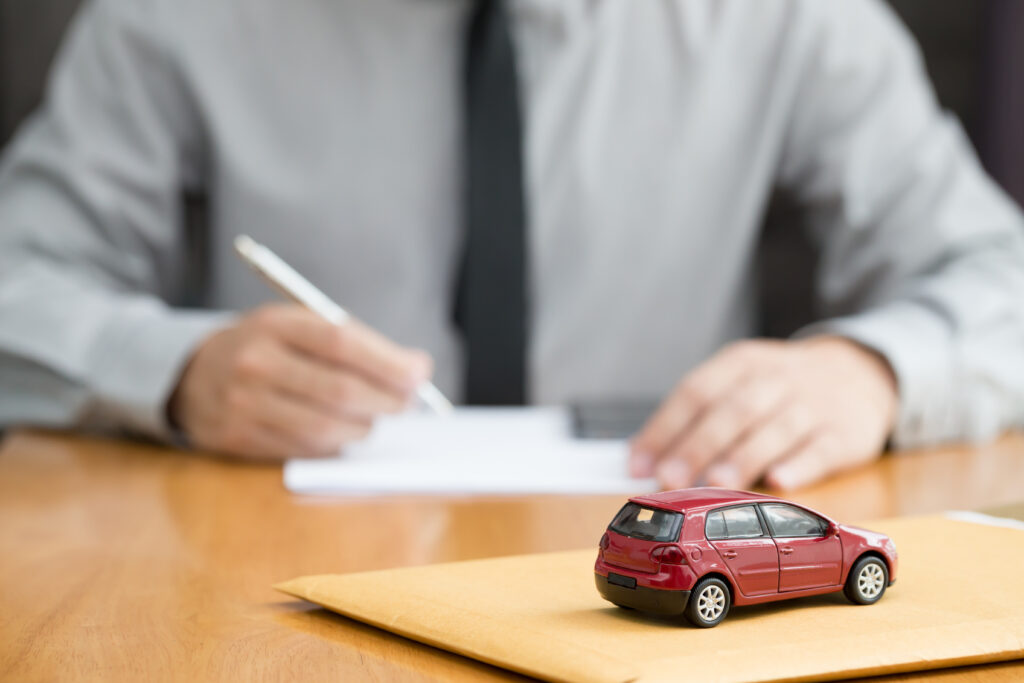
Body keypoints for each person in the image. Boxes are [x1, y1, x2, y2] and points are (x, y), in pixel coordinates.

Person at [1, 0, 1022, 492]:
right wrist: (174, 372)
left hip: (657, 559)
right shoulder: (170, 18)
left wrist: (874, 372)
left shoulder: (795, 17)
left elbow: (998, 276)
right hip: (266, 562)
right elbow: (18, 280)